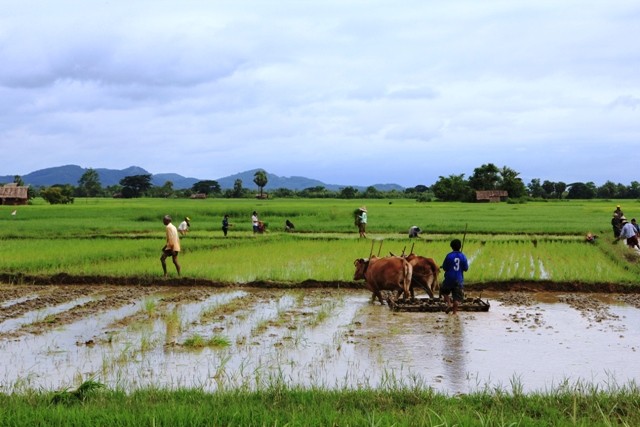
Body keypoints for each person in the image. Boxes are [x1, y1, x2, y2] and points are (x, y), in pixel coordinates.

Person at [440, 238, 469, 315]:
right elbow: (466, 268)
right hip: (459, 279)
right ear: (460, 246)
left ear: (451, 247)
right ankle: (454, 313)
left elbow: (445, 268)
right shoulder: (463, 256)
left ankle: (449, 303)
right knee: (457, 298)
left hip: (449, 279)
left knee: (443, 291)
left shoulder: (449, 256)